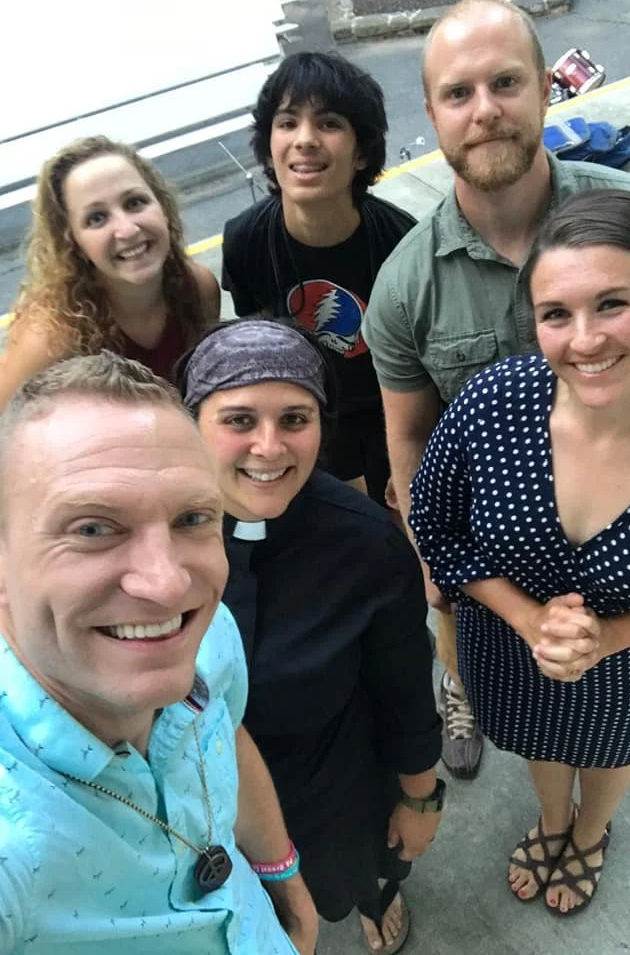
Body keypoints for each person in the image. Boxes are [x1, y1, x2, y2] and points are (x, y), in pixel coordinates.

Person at [361, 0, 630, 782]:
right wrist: (437, 569)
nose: (484, 111)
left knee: (620, 713)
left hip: (626, 544)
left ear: (546, 88)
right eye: (458, 94)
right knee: (498, 683)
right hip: (497, 546)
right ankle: (464, 687)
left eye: (505, 83)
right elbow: (412, 434)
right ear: (432, 112)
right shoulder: (404, 287)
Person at [408, 188, 630, 917]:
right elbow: (436, 521)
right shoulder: (492, 403)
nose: (584, 340)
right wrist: (525, 620)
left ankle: (590, 831)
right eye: (557, 315)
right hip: (509, 643)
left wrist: (609, 636)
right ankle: (553, 821)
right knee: (537, 741)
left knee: (613, 753)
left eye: (612, 303)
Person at [0, 352, 318, 954]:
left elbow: (227, 729)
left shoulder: (205, 632)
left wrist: (282, 878)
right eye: (93, 528)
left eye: (192, 518)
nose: (168, 584)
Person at [178, 318, 443, 954]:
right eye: (239, 420)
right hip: (202, 809)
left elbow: (405, 690)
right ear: (191, 425)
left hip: (334, 793)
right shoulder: (153, 539)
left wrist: (421, 800)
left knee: (359, 872)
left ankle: (377, 895)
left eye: (294, 419)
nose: (269, 447)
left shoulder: (368, 544)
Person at [221, 52, 416, 508]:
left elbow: (420, 374)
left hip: (392, 413)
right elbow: (264, 357)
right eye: (287, 123)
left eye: (328, 123)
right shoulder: (246, 242)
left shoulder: (402, 241)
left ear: (361, 151)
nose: (304, 140)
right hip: (308, 424)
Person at [0, 136, 220, 409]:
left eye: (135, 203)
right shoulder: (49, 337)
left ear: (162, 207)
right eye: (97, 218)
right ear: (73, 241)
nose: (127, 230)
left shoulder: (199, 289)